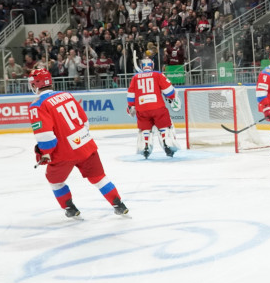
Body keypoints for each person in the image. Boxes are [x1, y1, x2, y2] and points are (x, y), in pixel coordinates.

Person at [28, 68, 128, 218]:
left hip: (64, 152)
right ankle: (119, 204)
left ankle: (70, 209)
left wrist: (43, 153)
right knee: (99, 177)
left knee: (55, 181)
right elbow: (85, 123)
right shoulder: (66, 95)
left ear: (36, 84)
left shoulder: (37, 106)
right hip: (85, 144)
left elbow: (46, 138)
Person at [126, 58, 181, 159]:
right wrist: (172, 98)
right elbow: (169, 91)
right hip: (157, 107)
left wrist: (131, 106)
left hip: (141, 109)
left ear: (142, 66)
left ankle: (145, 145)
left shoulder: (135, 77)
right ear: (152, 65)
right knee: (164, 126)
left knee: (145, 128)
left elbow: (130, 96)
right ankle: (166, 142)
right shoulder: (157, 74)